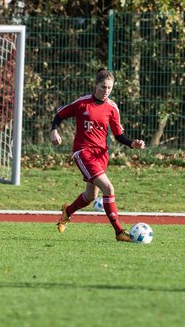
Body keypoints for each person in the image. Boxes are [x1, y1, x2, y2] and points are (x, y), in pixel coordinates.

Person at [51, 67, 145, 242]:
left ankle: (67, 211)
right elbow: (60, 115)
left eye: (109, 88)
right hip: (83, 152)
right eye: (103, 87)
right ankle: (119, 232)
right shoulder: (82, 103)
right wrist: (54, 131)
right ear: (95, 85)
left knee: (90, 197)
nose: (106, 91)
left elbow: (118, 135)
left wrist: (132, 144)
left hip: (101, 155)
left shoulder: (112, 107)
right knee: (108, 188)